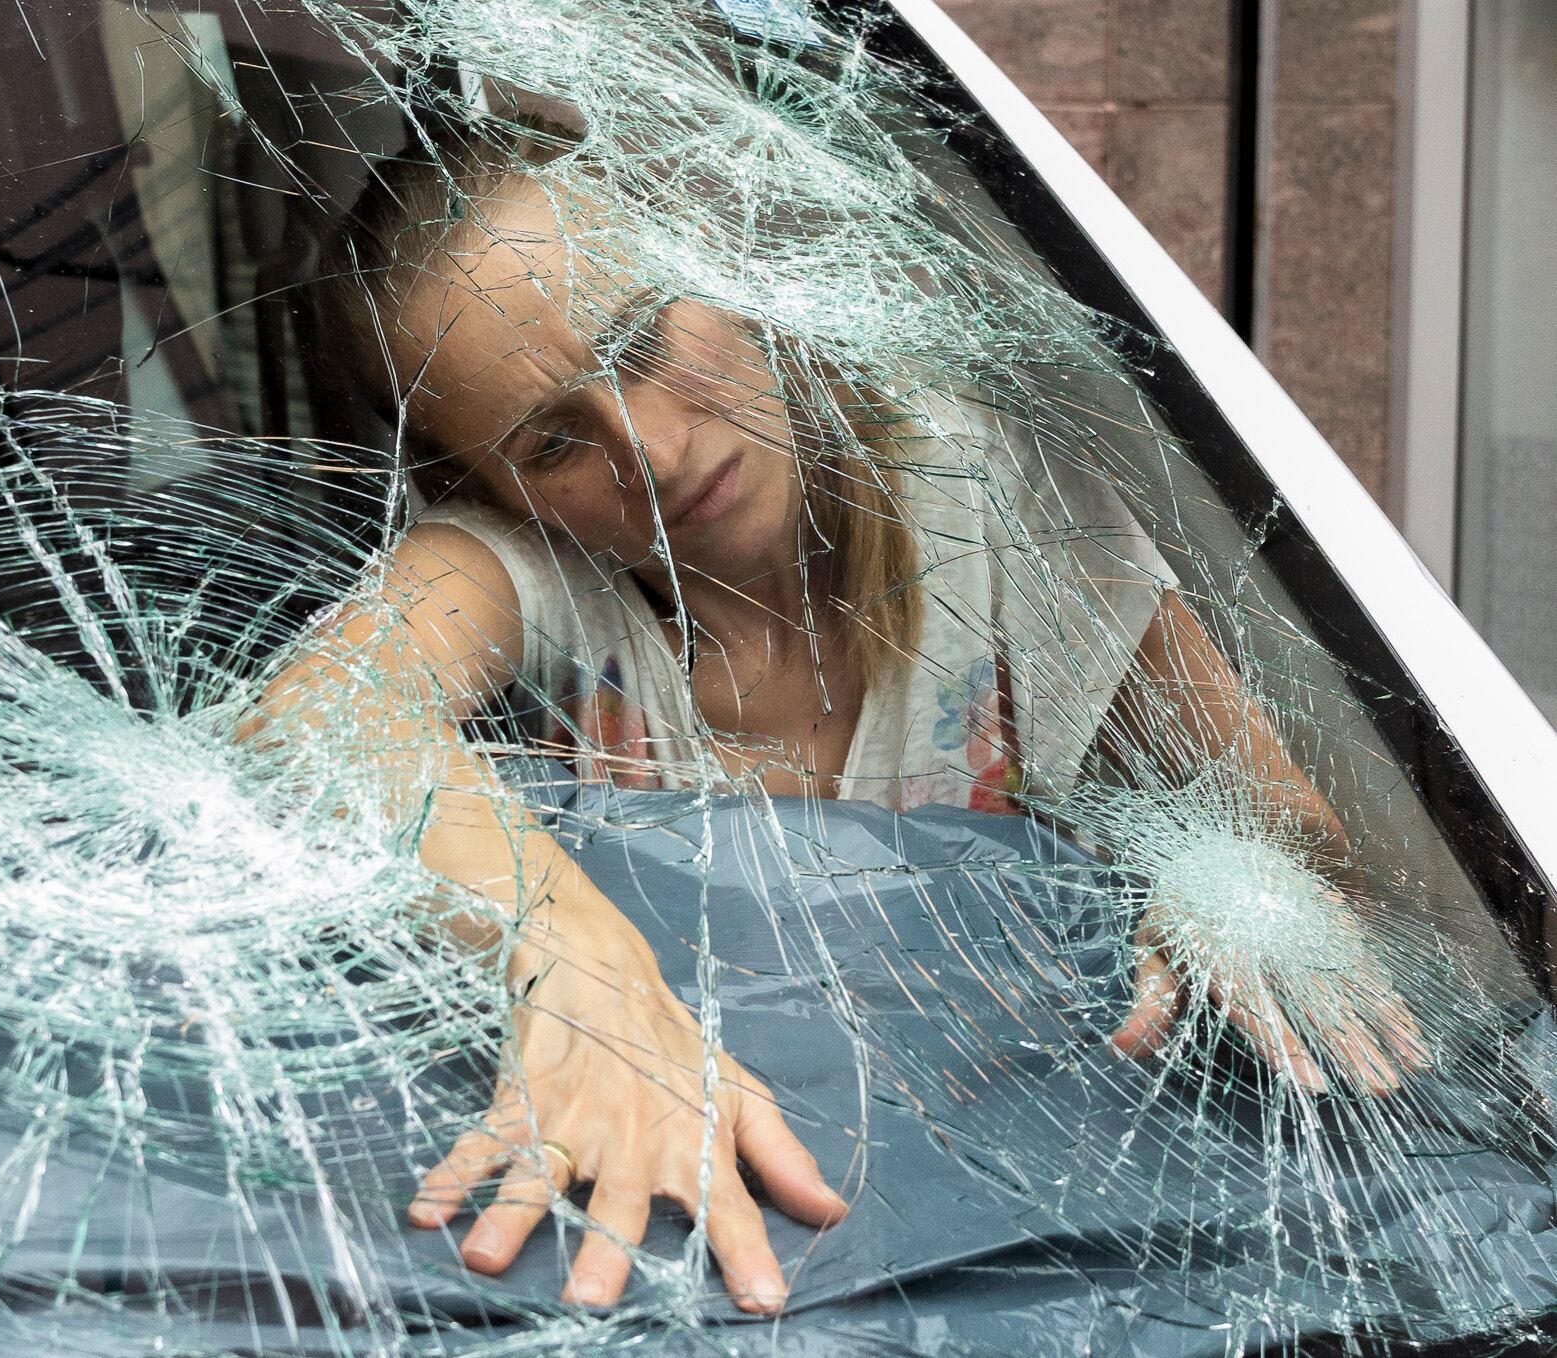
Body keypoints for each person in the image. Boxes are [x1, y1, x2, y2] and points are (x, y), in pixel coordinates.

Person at [262, 121, 1425, 1316]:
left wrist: (1220, 877)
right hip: (698, 1280)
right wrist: (572, 963)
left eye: (645, 338)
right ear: (492, 491)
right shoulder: (537, 578)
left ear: (727, 268)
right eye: (556, 440)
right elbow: (308, 729)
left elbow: (1313, 838)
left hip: (1063, 1248)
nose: (651, 450)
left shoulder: (1005, 496)